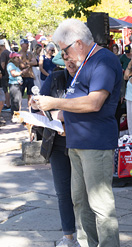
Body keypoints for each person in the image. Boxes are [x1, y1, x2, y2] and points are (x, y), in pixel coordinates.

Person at [33, 18, 122, 247]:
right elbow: (76, 104)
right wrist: (52, 112)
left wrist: (54, 103)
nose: (65, 56)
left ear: (79, 43)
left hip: (96, 144)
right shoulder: (86, 62)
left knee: (100, 206)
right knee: (80, 203)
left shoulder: (103, 61)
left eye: (65, 50)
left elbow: (94, 103)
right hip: (77, 143)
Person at [31, 57, 80, 247]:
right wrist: (36, 104)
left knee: (83, 193)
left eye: (73, 58)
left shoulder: (89, 77)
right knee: (63, 192)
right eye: (65, 58)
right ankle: (68, 237)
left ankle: (87, 235)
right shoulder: (55, 78)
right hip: (58, 144)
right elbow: (40, 105)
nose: (70, 62)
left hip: (82, 144)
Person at [6, 52, 28, 122]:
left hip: (18, 85)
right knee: (15, 101)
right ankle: (14, 117)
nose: (19, 59)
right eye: (17, 57)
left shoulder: (15, 65)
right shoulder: (10, 65)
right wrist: (22, 72)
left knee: (18, 101)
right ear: (13, 58)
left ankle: (18, 115)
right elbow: (13, 74)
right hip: (14, 85)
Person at [19, 39, 37, 106]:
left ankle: (30, 109)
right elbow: (22, 65)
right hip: (23, 77)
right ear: (21, 45)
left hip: (30, 76)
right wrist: (30, 63)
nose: (27, 45)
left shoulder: (30, 53)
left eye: (27, 44)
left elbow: (35, 62)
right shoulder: (19, 54)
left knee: (30, 95)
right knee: (21, 94)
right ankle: (19, 110)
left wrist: (27, 63)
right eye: (25, 44)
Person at [0, 39, 11, 114]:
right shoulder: (8, 52)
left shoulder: (3, 53)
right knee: (7, 89)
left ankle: (7, 105)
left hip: (4, 74)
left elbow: (2, 64)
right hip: (9, 73)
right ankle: (8, 104)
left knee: (5, 90)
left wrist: (1, 72)